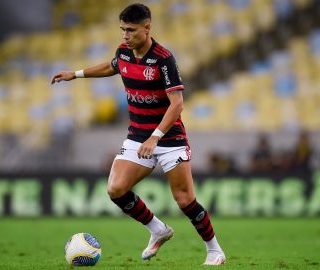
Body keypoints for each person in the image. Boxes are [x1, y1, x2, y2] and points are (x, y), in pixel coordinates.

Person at [51, 3, 225, 265]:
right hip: (137, 136)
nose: (125, 36)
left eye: (130, 30)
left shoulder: (163, 59)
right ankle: (158, 229)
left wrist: (155, 136)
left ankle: (214, 250)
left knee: (184, 199)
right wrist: (75, 74)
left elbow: (177, 104)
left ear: (147, 28)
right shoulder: (124, 52)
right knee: (116, 189)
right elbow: (112, 66)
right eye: (122, 30)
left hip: (168, 138)